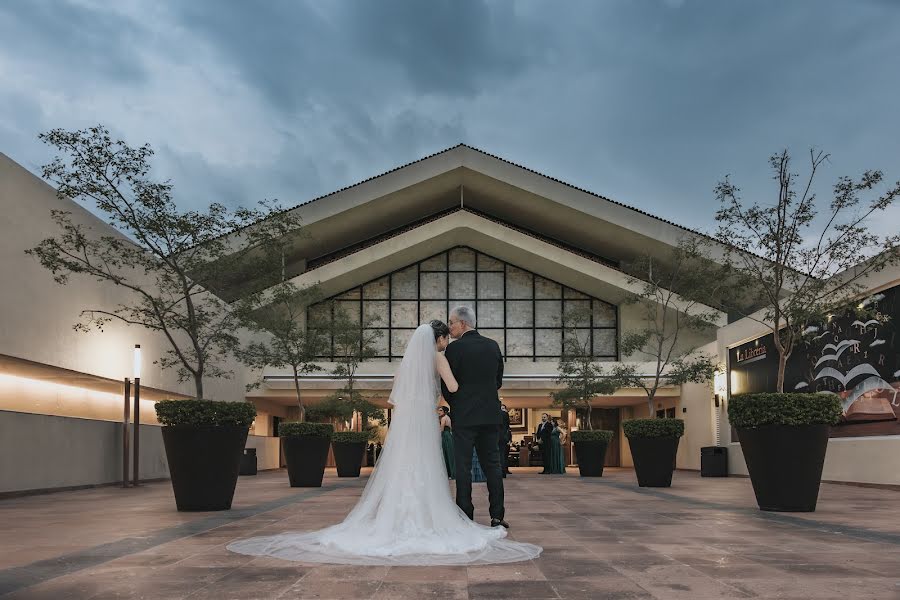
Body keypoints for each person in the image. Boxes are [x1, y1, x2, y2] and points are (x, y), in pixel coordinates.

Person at [227, 321, 541, 566]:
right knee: (438, 467)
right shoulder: (439, 357)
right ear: (440, 338)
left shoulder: (406, 364)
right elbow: (454, 386)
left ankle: (397, 519)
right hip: (434, 422)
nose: (447, 343)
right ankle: (464, 515)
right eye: (445, 339)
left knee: (406, 467)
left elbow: (395, 398)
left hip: (406, 424)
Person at [441, 306, 507, 528]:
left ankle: (465, 515)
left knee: (463, 467)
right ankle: (497, 516)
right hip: (490, 416)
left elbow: (446, 387)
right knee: (493, 466)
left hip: (464, 418)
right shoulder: (493, 346)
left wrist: (458, 405)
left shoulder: (454, 349)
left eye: (451, 322)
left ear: (463, 323)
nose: (449, 327)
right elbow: (498, 380)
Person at [438, 406, 455, 479]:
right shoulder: (448, 418)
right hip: (449, 436)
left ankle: (449, 474)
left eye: (440, 410)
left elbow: (441, 429)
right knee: (450, 454)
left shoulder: (443, 418)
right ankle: (452, 473)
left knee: (446, 454)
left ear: (444, 411)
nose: (439, 412)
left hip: (445, 436)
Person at [499, 404, 512, 477]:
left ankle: (498, 472)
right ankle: (503, 472)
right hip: (503, 436)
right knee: (502, 455)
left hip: (496, 436)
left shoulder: (495, 413)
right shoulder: (505, 414)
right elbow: (507, 425)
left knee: (497, 455)